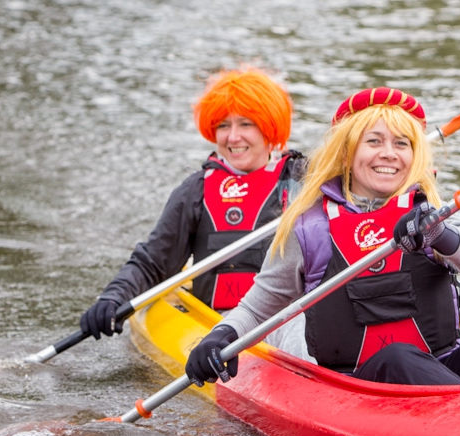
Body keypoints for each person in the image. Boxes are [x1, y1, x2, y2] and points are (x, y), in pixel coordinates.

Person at [185, 87, 460, 386]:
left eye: (402, 143)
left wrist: (440, 234)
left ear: (414, 155)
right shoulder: (309, 227)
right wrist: (221, 336)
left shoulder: (430, 212)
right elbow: (260, 305)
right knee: (396, 357)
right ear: (347, 153)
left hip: (444, 366)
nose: (388, 154)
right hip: (363, 385)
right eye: (373, 141)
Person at [80, 68, 307, 347]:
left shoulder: (303, 183)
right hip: (216, 323)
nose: (233, 137)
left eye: (246, 124)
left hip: (284, 321)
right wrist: (112, 298)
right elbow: (153, 262)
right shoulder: (196, 190)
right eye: (224, 125)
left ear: (269, 127)